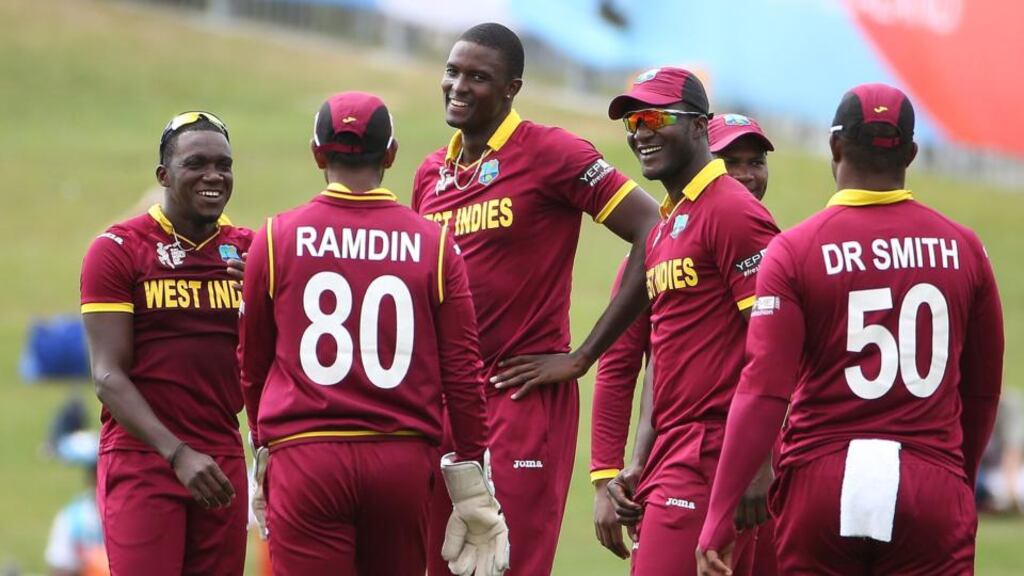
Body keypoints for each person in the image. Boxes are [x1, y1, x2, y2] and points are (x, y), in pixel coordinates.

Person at [697, 83, 1004, 575]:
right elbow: (983, 392)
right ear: (912, 152)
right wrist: (956, 479)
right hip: (930, 482)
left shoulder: (794, 251)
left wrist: (718, 516)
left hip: (823, 479)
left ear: (835, 148)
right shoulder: (966, 249)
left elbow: (763, 390)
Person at [412, 23, 661, 575]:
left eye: (479, 77)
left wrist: (582, 357)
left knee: (508, 563)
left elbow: (655, 228)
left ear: (511, 89)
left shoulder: (551, 153)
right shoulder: (431, 174)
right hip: (444, 403)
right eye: (453, 71)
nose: (458, 85)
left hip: (520, 398)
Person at [238, 91, 507, 576]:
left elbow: (252, 364)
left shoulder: (274, 239)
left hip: (306, 457)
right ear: (391, 155)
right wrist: (471, 471)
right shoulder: (437, 244)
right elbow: (464, 374)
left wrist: (263, 445)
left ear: (318, 153)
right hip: (400, 461)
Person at [590, 111, 778, 571]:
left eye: (755, 162)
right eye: (729, 161)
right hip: (688, 458)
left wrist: (765, 457)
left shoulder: (762, 241)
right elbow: (626, 366)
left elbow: (782, 353)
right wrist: (607, 475)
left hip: (759, 466)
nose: (745, 175)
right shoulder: (660, 244)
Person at [80, 111, 251, 575]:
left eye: (224, 164)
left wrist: (263, 296)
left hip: (221, 458)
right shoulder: (118, 249)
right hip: (144, 456)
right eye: (196, 164)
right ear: (163, 175)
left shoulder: (252, 253)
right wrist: (176, 453)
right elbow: (107, 375)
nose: (213, 175)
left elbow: (275, 362)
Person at [45, 431, 108, 576]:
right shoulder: (73, 517)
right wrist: (87, 565)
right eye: (97, 472)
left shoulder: (132, 513)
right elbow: (58, 567)